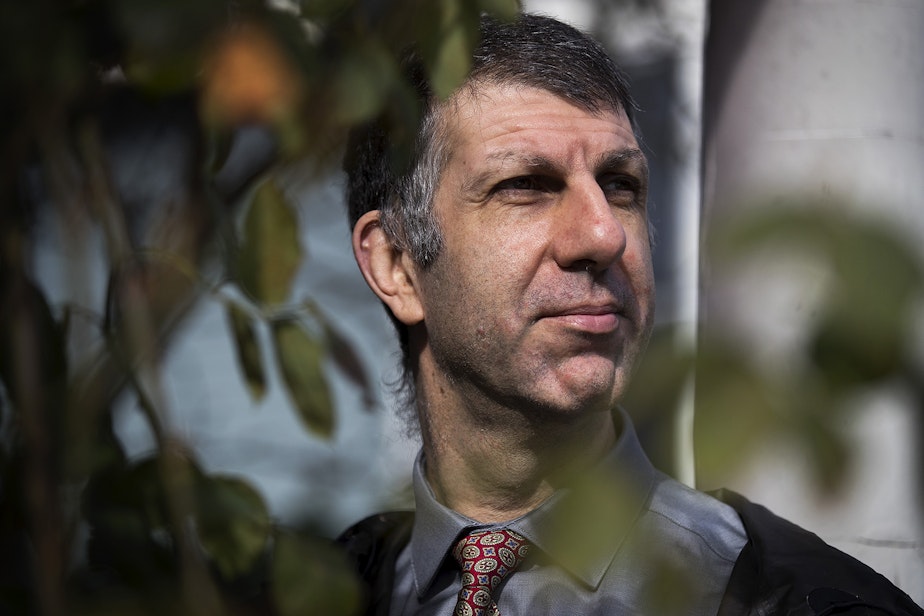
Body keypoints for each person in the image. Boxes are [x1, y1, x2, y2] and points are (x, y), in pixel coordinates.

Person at [338, 12, 924, 616]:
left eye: (621, 185)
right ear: (397, 264)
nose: (603, 234)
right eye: (526, 184)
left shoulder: (797, 602)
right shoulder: (318, 592)